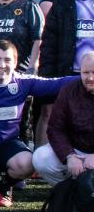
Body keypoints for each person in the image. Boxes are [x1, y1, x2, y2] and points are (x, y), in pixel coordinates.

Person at [0, 40, 74, 207]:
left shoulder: (22, 82)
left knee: (27, 164)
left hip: (7, 143)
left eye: (7, 60)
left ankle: (6, 185)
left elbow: (55, 84)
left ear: (15, 62)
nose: (2, 64)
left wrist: (86, 76)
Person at [38, 0, 94, 145]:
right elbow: (48, 43)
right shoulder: (61, 5)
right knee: (51, 113)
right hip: (67, 72)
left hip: (92, 75)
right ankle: (43, 159)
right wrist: (46, 75)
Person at [33, 51, 94, 185]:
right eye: (85, 73)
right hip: (75, 149)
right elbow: (55, 129)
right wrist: (69, 155)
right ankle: (69, 192)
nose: (90, 78)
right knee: (41, 157)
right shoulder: (69, 90)